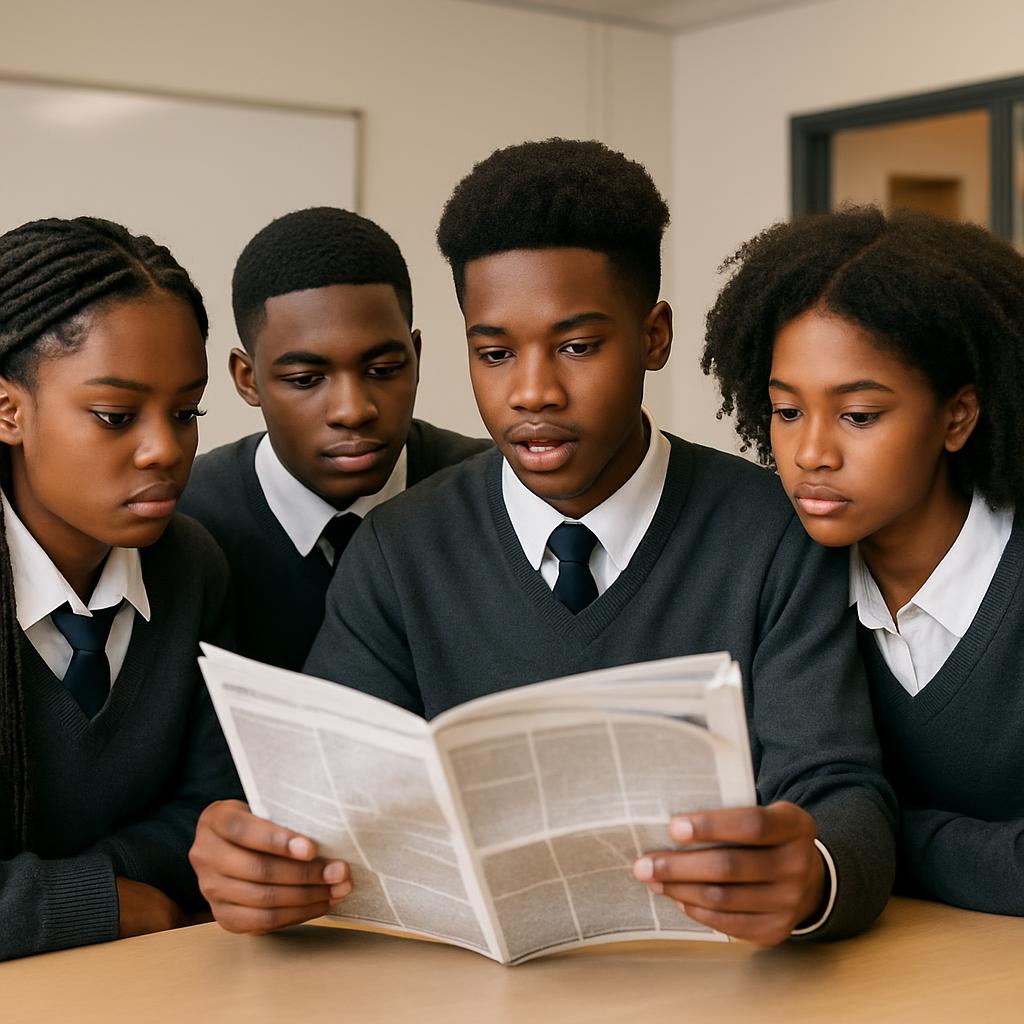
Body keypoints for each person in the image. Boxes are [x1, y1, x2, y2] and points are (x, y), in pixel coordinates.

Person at [190, 140, 896, 945]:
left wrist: (814, 874)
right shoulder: (396, 549)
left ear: (654, 336)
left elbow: (842, 790)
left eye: (576, 347)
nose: (532, 392)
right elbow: (324, 806)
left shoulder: (773, 531)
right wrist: (260, 858)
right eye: (494, 354)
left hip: (715, 982)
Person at [701, 205, 1024, 916]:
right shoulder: (780, 587)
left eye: (858, 416)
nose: (812, 453)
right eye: (788, 412)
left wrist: (879, 840)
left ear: (957, 417)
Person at [0, 216, 239, 960]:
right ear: (8, 410)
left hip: (143, 982)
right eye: (116, 416)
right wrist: (98, 902)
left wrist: (103, 888)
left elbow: (213, 809)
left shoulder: (191, 567)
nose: (166, 449)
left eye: (186, 412)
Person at [179, 207, 489, 671]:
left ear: (416, 356)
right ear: (247, 378)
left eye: (383, 370)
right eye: (306, 379)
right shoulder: (185, 517)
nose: (353, 410)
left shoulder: (492, 495)